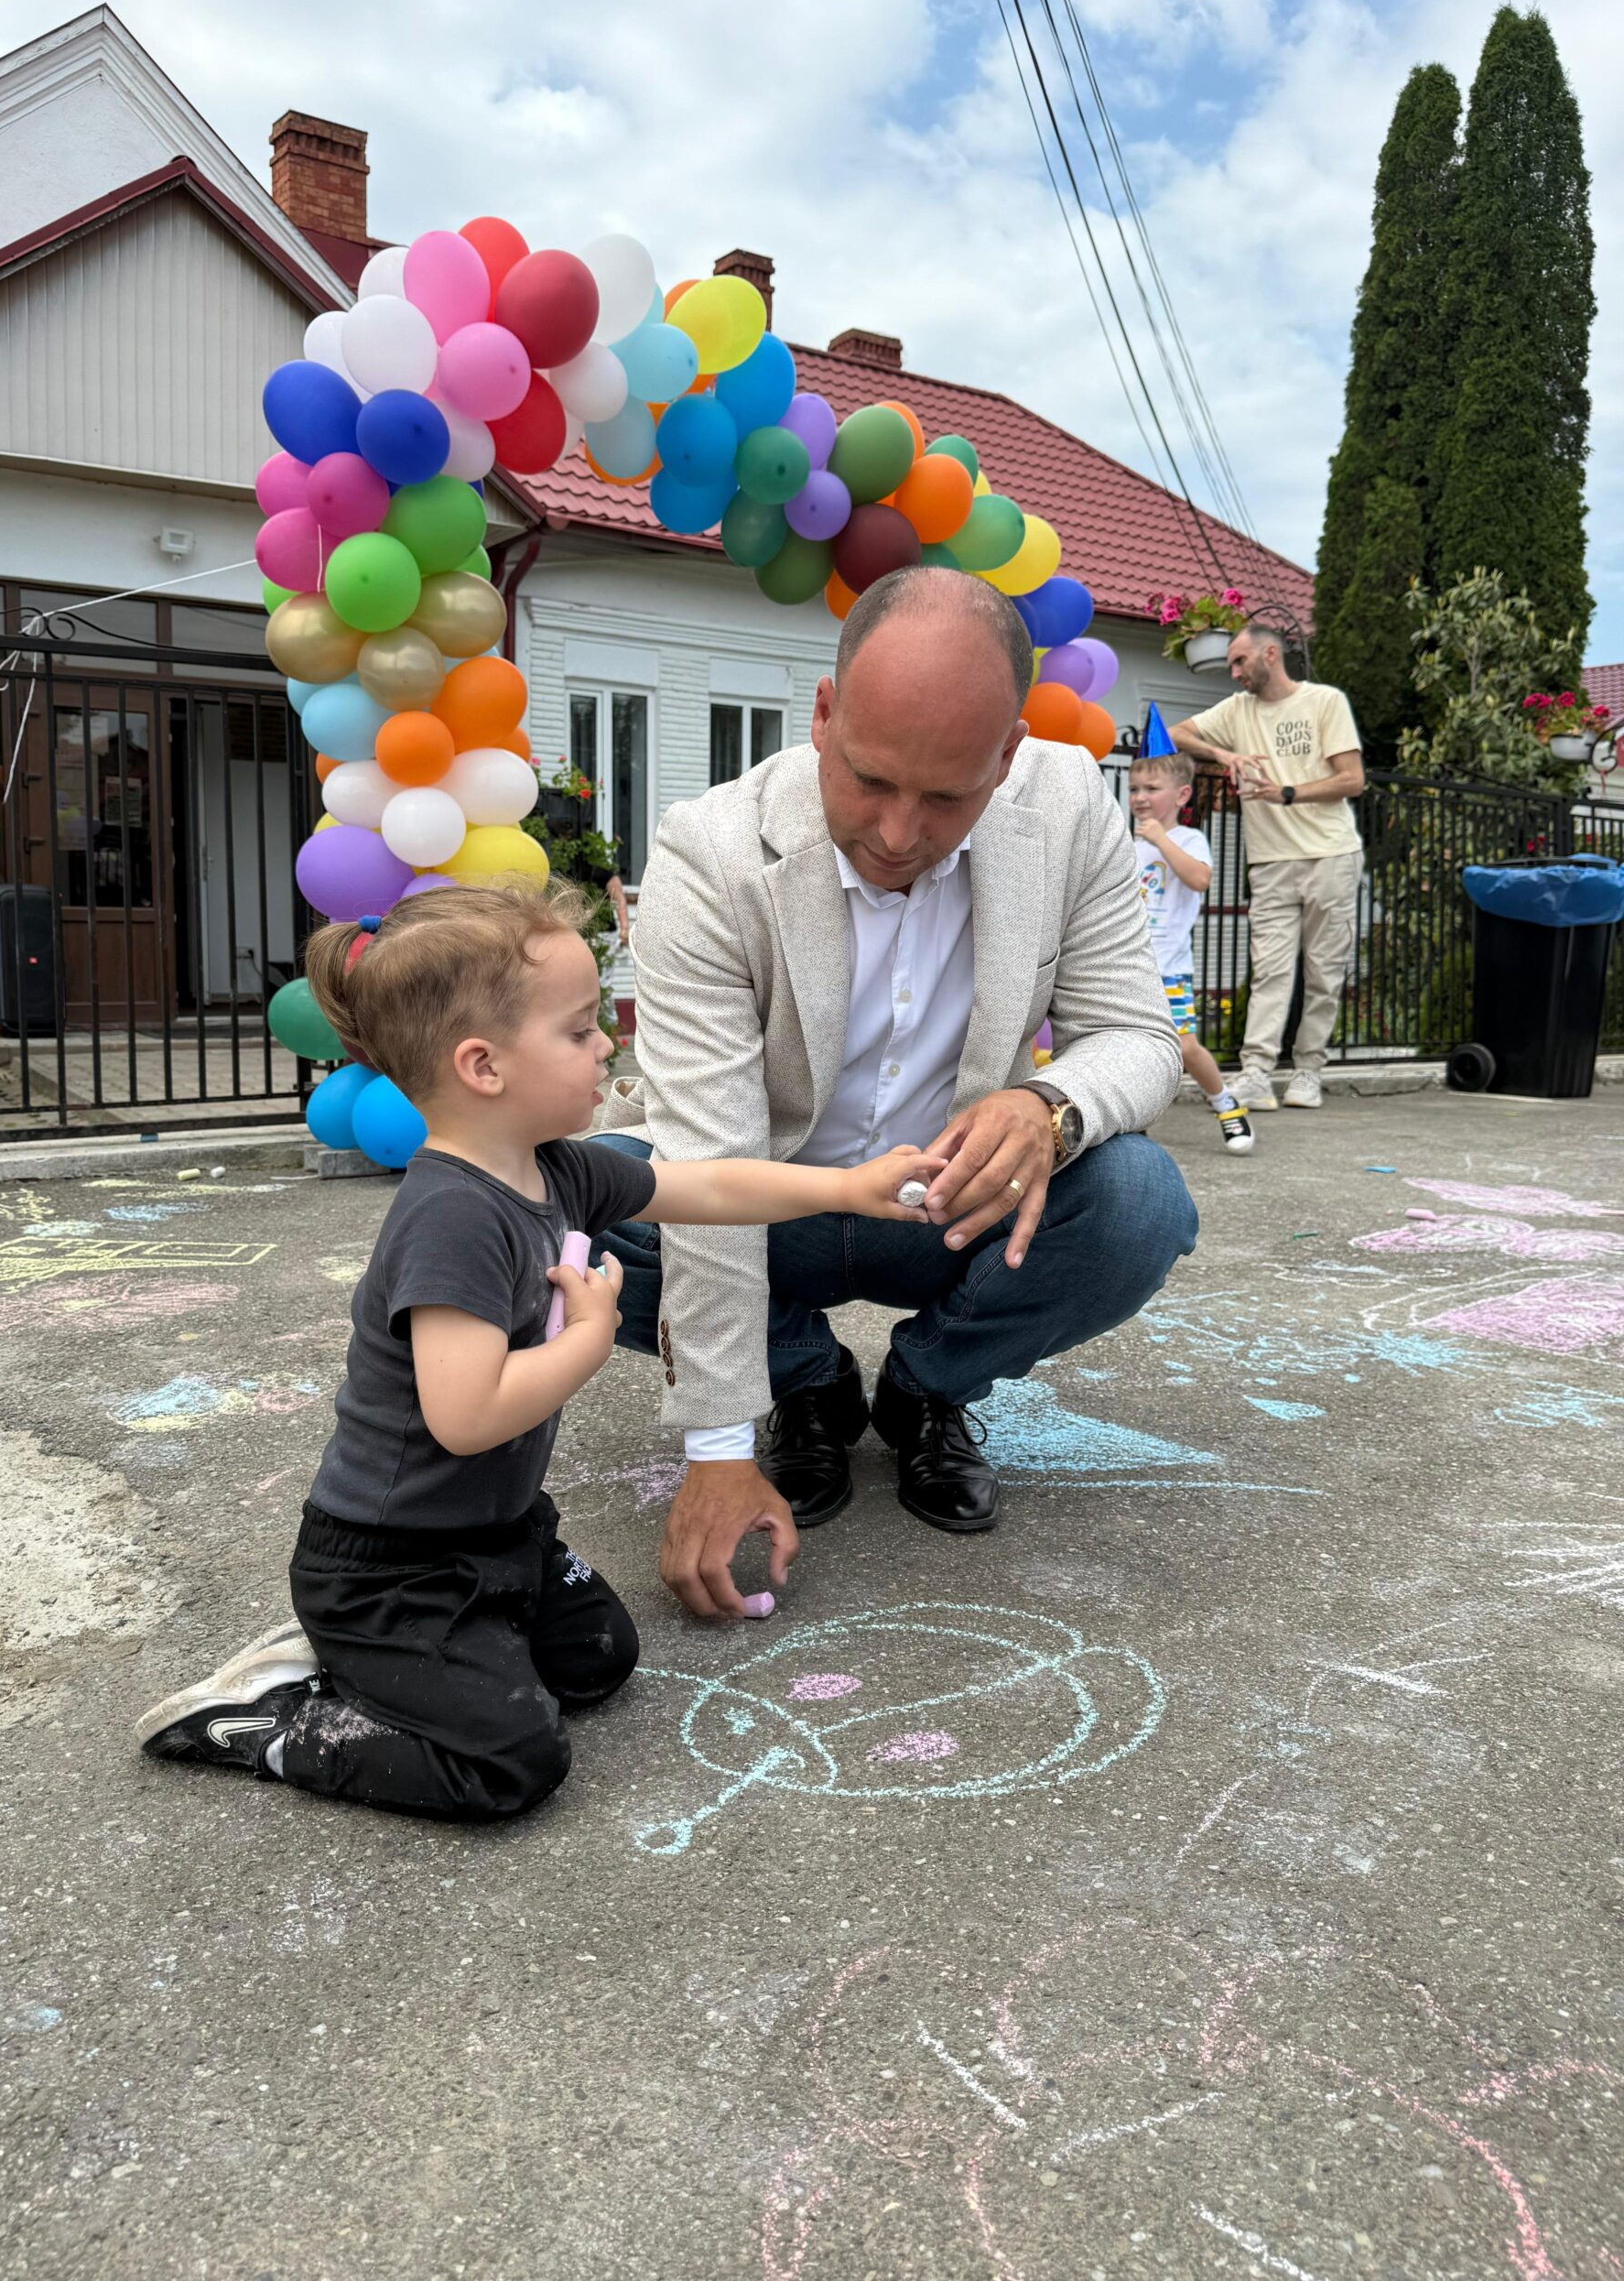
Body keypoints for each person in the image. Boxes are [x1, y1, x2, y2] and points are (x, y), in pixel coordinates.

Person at [133, 882, 937, 1823]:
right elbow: (467, 1416)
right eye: (579, 1029)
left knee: (598, 1660)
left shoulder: (555, 1166)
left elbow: (707, 1186)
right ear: (484, 1065)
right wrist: (591, 1335)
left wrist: (846, 1187)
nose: (608, 1046)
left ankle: (391, 1663)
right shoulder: (451, 1219)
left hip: (498, 1534)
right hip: (390, 1567)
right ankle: (276, 1718)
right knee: (513, 1762)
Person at [591, 566, 1199, 1620]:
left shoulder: (1066, 808)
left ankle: (925, 1391)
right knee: (572, 1202)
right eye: (870, 780)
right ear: (824, 716)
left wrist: (1048, 1107)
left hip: (952, 1204)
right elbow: (706, 1157)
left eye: (948, 796)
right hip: (772, 1199)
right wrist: (720, 1447)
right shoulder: (711, 849)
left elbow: (1139, 1037)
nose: (900, 832)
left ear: (1006, 756)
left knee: (1141, 1200)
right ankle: (804, 1382)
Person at [1170, 625, 1366, 1112]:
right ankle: (1256, 1074)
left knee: (1323, 973)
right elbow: (1176, 733)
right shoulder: (1236, 710)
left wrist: (1287, 793)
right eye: (1231, 664)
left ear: (1270, 654)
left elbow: (1352, 779)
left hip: (1331, 855)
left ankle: (1308, 1072)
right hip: (1270, 862)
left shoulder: (1325, 701)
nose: (1234, 672)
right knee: (1270, 973)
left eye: (1240, 661)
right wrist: (1224, 754)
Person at [1128, 752, 1254, 1155]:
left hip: (1170, 967)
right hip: (1129, 967)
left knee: (1184, 1048)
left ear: (1182, 795)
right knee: (1129, 1048)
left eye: (1151, 788)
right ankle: (1133, 1124)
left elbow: (1199, 879)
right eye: (1134, 789)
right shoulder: (1129, 845)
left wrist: (1161, 840)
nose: (1140, 797)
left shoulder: (1188, 839)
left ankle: (1225, 1104)